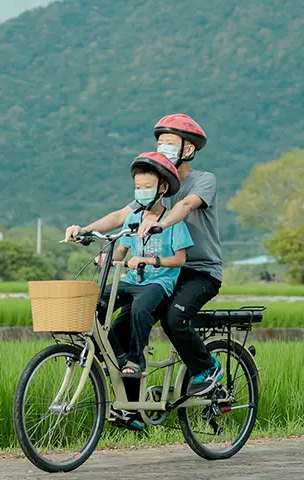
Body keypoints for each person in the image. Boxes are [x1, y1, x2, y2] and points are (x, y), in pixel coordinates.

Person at [65, 114, 225, 428]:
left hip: (198, 271)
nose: (162, 148)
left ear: (188, 149)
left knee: (173, 318)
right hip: (157, 274)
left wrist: (161, 224)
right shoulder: (153, 186)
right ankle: (133, 407)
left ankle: (207, 368)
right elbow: (120, 216)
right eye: (159, 142)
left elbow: (186, 206)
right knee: (120, 327)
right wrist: (85, 230)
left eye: (170, 143)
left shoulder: (204, 180)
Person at [93, 152, 192, 380]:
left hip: (158, 282)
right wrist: (107, 258)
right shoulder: (132, 218)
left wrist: (149, 260)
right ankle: (117, 354)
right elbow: (120, 252)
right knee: (95, 303)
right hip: (131, 280)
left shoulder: (172, 222)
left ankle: (136, 358)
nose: (142, 191)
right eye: (138, 187)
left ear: (163, 188)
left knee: (140, 309)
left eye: (148, 186)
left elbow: (180, 259)